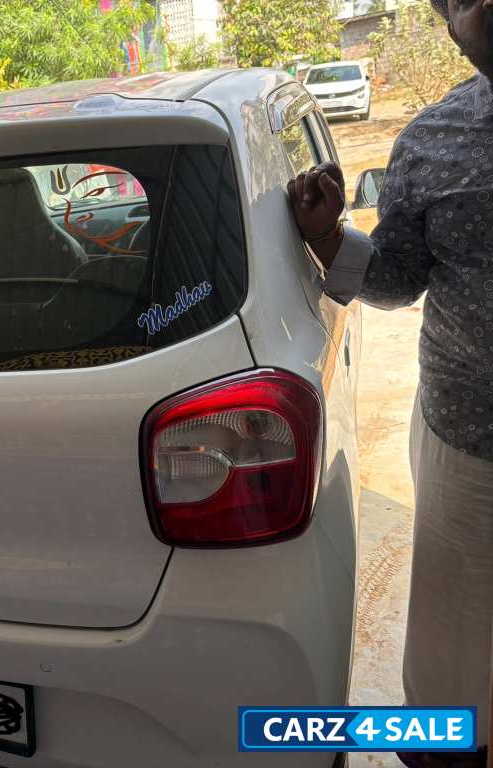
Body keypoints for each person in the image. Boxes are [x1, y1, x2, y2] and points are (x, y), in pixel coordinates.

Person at [289, 1, 493, 766]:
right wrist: (325, 235)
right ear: (449, 22)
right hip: (472, 447)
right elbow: (398, 278)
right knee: (453, 662)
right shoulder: (436, 141)